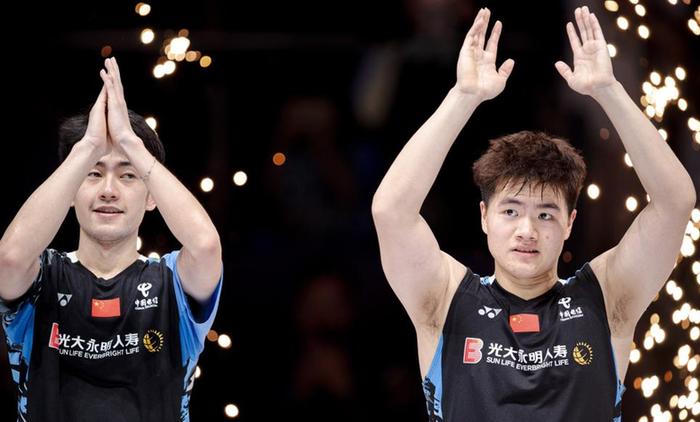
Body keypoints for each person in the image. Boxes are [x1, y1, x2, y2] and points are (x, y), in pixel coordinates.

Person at [371, 6, 695, 421]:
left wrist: (609, 90)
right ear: (484, 216)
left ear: (569, 223)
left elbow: (675, 202)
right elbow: (391, 212)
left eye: (545, 215)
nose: (527, 230)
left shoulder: (607, 298)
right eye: (511, 211)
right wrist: (462, 97)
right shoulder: (445, 299)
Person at [0, 57, 223, 421]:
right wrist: (88, 145)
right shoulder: (41, 277)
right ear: (70, 188)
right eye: (93, 173)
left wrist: (130, 143)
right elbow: (8, 258)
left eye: (128, 176)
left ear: (152, 196)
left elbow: (206, 246)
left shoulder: (172, 283)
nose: (108, 190)